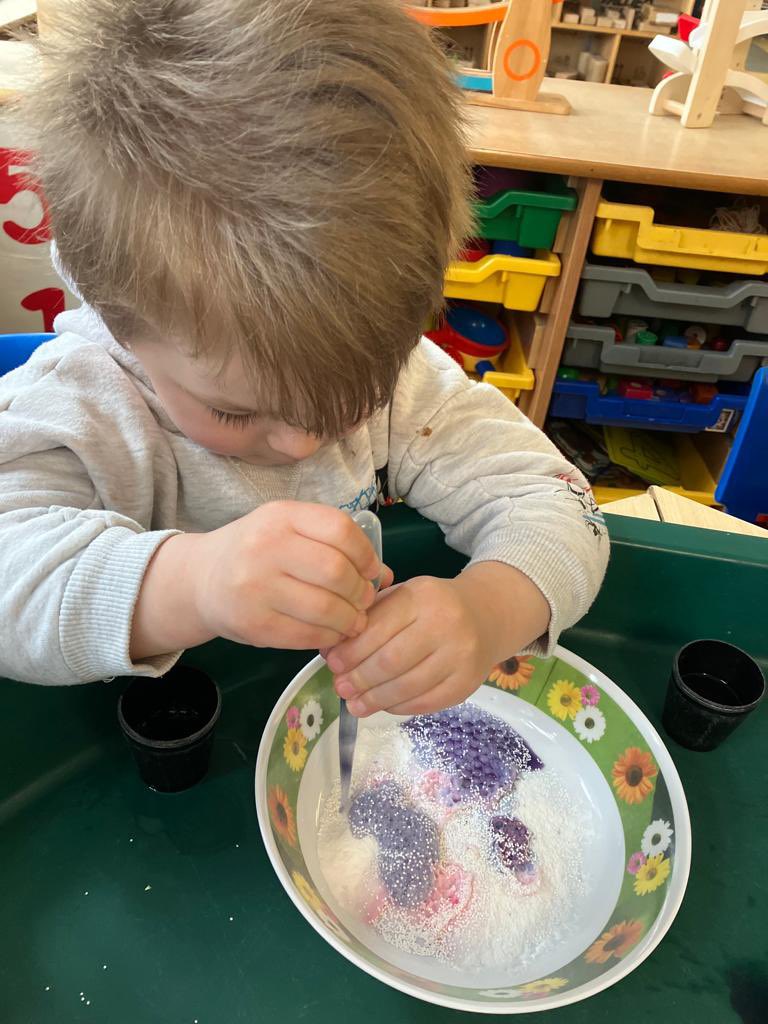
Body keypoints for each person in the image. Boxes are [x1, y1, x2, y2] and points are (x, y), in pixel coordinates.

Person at [0, 0, 608, 716]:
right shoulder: (82, 402)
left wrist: (487, 611)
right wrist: (193, 584)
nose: (304, 440)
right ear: (116, 312)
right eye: (234, 409)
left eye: (352, 394)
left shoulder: (397, 383)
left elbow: (559, 502)